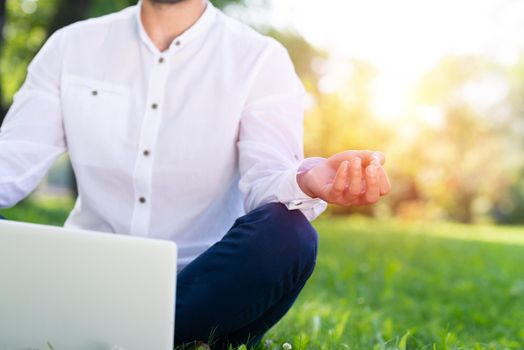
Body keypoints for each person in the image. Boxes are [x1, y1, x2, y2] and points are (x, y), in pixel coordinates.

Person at [0, 0, 391, 348]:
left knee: (290, 234)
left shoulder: (259, 59)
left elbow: (267, 182)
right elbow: (11, 160)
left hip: (204, 290)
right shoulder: (71, 46)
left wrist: (307, 181)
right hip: (81, 277)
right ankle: (160, 341)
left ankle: (130, 333)